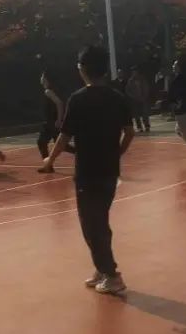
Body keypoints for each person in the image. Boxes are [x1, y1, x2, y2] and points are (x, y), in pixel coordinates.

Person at [41, 46, 134, 295]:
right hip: (110, 171)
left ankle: (112, 274)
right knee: (99, 220)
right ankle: (102, 268)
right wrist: (117, 153)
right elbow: (129, 132)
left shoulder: (79, 99)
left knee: (92, 224)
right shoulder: (118, 97)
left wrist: (49, 160)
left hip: (88, 172)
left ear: (82, 69)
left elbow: (63, 137)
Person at [36, 71, 73, 161]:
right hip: (51, 121)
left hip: (51, 122)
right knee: (62, 145)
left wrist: (59, 120)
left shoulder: (48, 91)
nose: (41, 78)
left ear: (46, 79)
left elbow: (59, 103)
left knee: (42, 142)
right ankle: (82, 153)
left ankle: (47, 165)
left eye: (42, 76)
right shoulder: (51, 90)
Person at [124, 67, 151, 133]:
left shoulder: (142, 79)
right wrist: (133, 97)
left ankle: (147, 126)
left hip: (143, 98)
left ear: (138, 72)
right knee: (136, 114)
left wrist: (144, 96)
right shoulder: (130, 80)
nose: (134, 73)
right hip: (134, 100)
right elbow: (127, 90)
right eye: (133, 72)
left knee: (145, 113)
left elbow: (146, 88)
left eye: (135, 72)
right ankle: (139, 127)